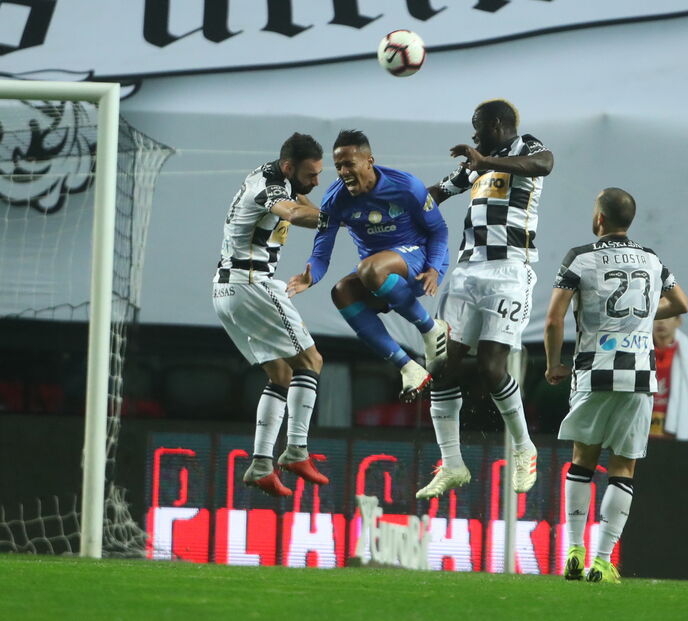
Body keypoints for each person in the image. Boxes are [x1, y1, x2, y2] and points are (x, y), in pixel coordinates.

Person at [543, 188, 688, 583]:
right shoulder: (651, 259)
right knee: (623, 466)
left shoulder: (581, 258)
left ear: (599, 220)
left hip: (594, 371)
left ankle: (574, 550)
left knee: (582, 459)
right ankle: (603, 561)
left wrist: (554, 364)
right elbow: (681, 304)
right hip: (639, 375)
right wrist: (643, 319)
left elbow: (554, 319)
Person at [415, 99, 554, 499]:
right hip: (467, 272)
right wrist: (388, 199)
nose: (474, 135)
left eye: (478, 127)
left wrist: (486, 162)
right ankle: (452, 463)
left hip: (509, 271)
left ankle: (525, 448)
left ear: (497, 124)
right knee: (440, 364)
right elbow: (437, 193)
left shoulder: (525, 147)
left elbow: (544, 164)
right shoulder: (478, 163)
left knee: (493, 368)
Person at [287, 130, 450, 402]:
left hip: (421, 261)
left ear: (369, 161)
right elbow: (321, 251)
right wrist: (311, 277)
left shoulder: (407, 186)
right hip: (380, 272)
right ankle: (409, 368)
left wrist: (433, 267)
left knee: (369, 269)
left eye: (349, 164)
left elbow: (439, 231)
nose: (343, 171)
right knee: (341, 292)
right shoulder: (335, 199)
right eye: (338, 166)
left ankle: (431, 329)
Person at [212, 133, 330, 497]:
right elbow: (295, 212)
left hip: (227, 288)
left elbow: (304, 203)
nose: (316, 181)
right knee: (311, 360)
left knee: (281, 372)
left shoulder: (277, 179)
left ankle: (261, 464)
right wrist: (341, 218)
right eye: (311, 175)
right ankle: (296, 450)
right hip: (251, 285)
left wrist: (330, 216)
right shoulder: (268, 187)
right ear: (288, 167)